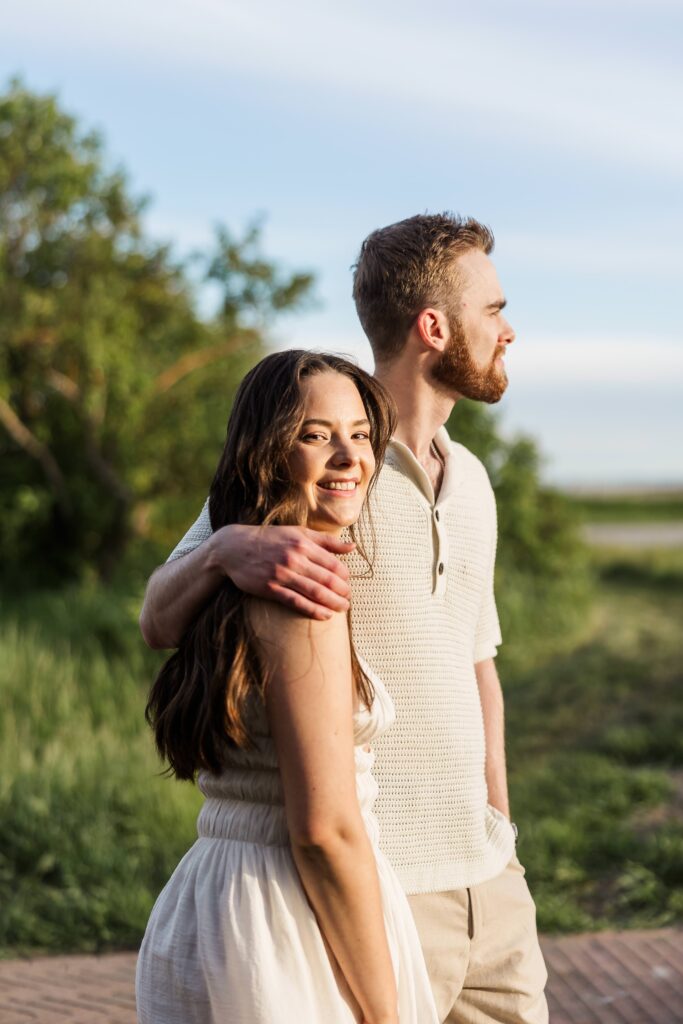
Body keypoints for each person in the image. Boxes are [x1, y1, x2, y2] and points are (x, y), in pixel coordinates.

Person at [140, 213, 549, 1024]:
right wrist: (224, 547)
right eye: (493, 310)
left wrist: (498, 825)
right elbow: (159, 615)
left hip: (489, 882)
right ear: (433, 326)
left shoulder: (472, 480)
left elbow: (478, 662)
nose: (508, 330)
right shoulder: (322, 476)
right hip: (376, 888)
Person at [135, 350, 439, 1024]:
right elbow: (324, 831)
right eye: (315, 435)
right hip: (286, 919)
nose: (349, 458)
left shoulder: (240, 571)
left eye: (360, 435)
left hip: (215, 898)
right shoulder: (295, 588)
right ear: (267, 451)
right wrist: (385, 1013)